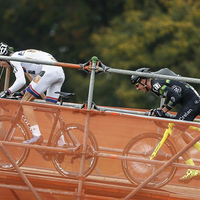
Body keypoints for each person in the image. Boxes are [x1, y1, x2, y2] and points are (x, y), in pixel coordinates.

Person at [131, 67, 200, 183]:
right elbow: (173, 95)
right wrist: (161, 110)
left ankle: (193, 169)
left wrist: (163, 111)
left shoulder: (155, 85)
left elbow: (175, 97)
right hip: (192, 101)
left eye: (137, 85)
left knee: (175, 135)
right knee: (179, 134)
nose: (137, 88)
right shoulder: (156, 84)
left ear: (143, 80)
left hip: (192, 103)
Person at [0, 42, 65, 144]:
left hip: (48, 71)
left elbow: (21, 81)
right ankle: (62, 144)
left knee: (25, 102)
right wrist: (22, 92)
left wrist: (6, 92)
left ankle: (37, 135)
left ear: (4, 57)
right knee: (50, 111)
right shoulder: (22, 56)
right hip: (59, 71)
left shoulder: (14, 59)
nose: (0, 65)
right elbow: (36, 83)